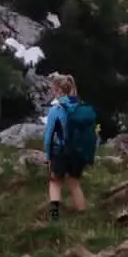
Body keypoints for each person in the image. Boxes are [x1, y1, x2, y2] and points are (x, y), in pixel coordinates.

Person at [43, 73, 89, 224]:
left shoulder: (55, 110)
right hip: (77, 152)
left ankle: (55, 216)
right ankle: (83, 215)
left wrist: (48, 155)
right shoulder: (80, 107)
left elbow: (49, 135)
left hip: (60, 151)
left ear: (58, 90)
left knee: (55, 182)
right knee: (75, 183)